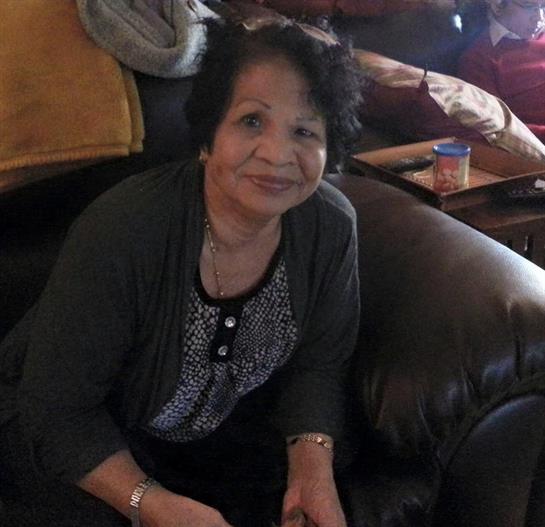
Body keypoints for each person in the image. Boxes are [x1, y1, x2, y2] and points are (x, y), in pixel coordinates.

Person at [0, 14, 363, 527]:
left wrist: (312, 471)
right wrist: (149, 503)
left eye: (304, 130)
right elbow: (57, 412)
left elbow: (320, 363)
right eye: (251, 121)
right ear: (208, 135)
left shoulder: (330, 226)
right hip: (75, 431)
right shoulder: (124, 228)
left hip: (204, 435)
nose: (278, 154)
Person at [457, 0, 545, 142]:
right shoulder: (479, 59)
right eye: (529, 7)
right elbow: (495, 127)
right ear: (497, 6)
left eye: (542, 6)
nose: (539, 17)